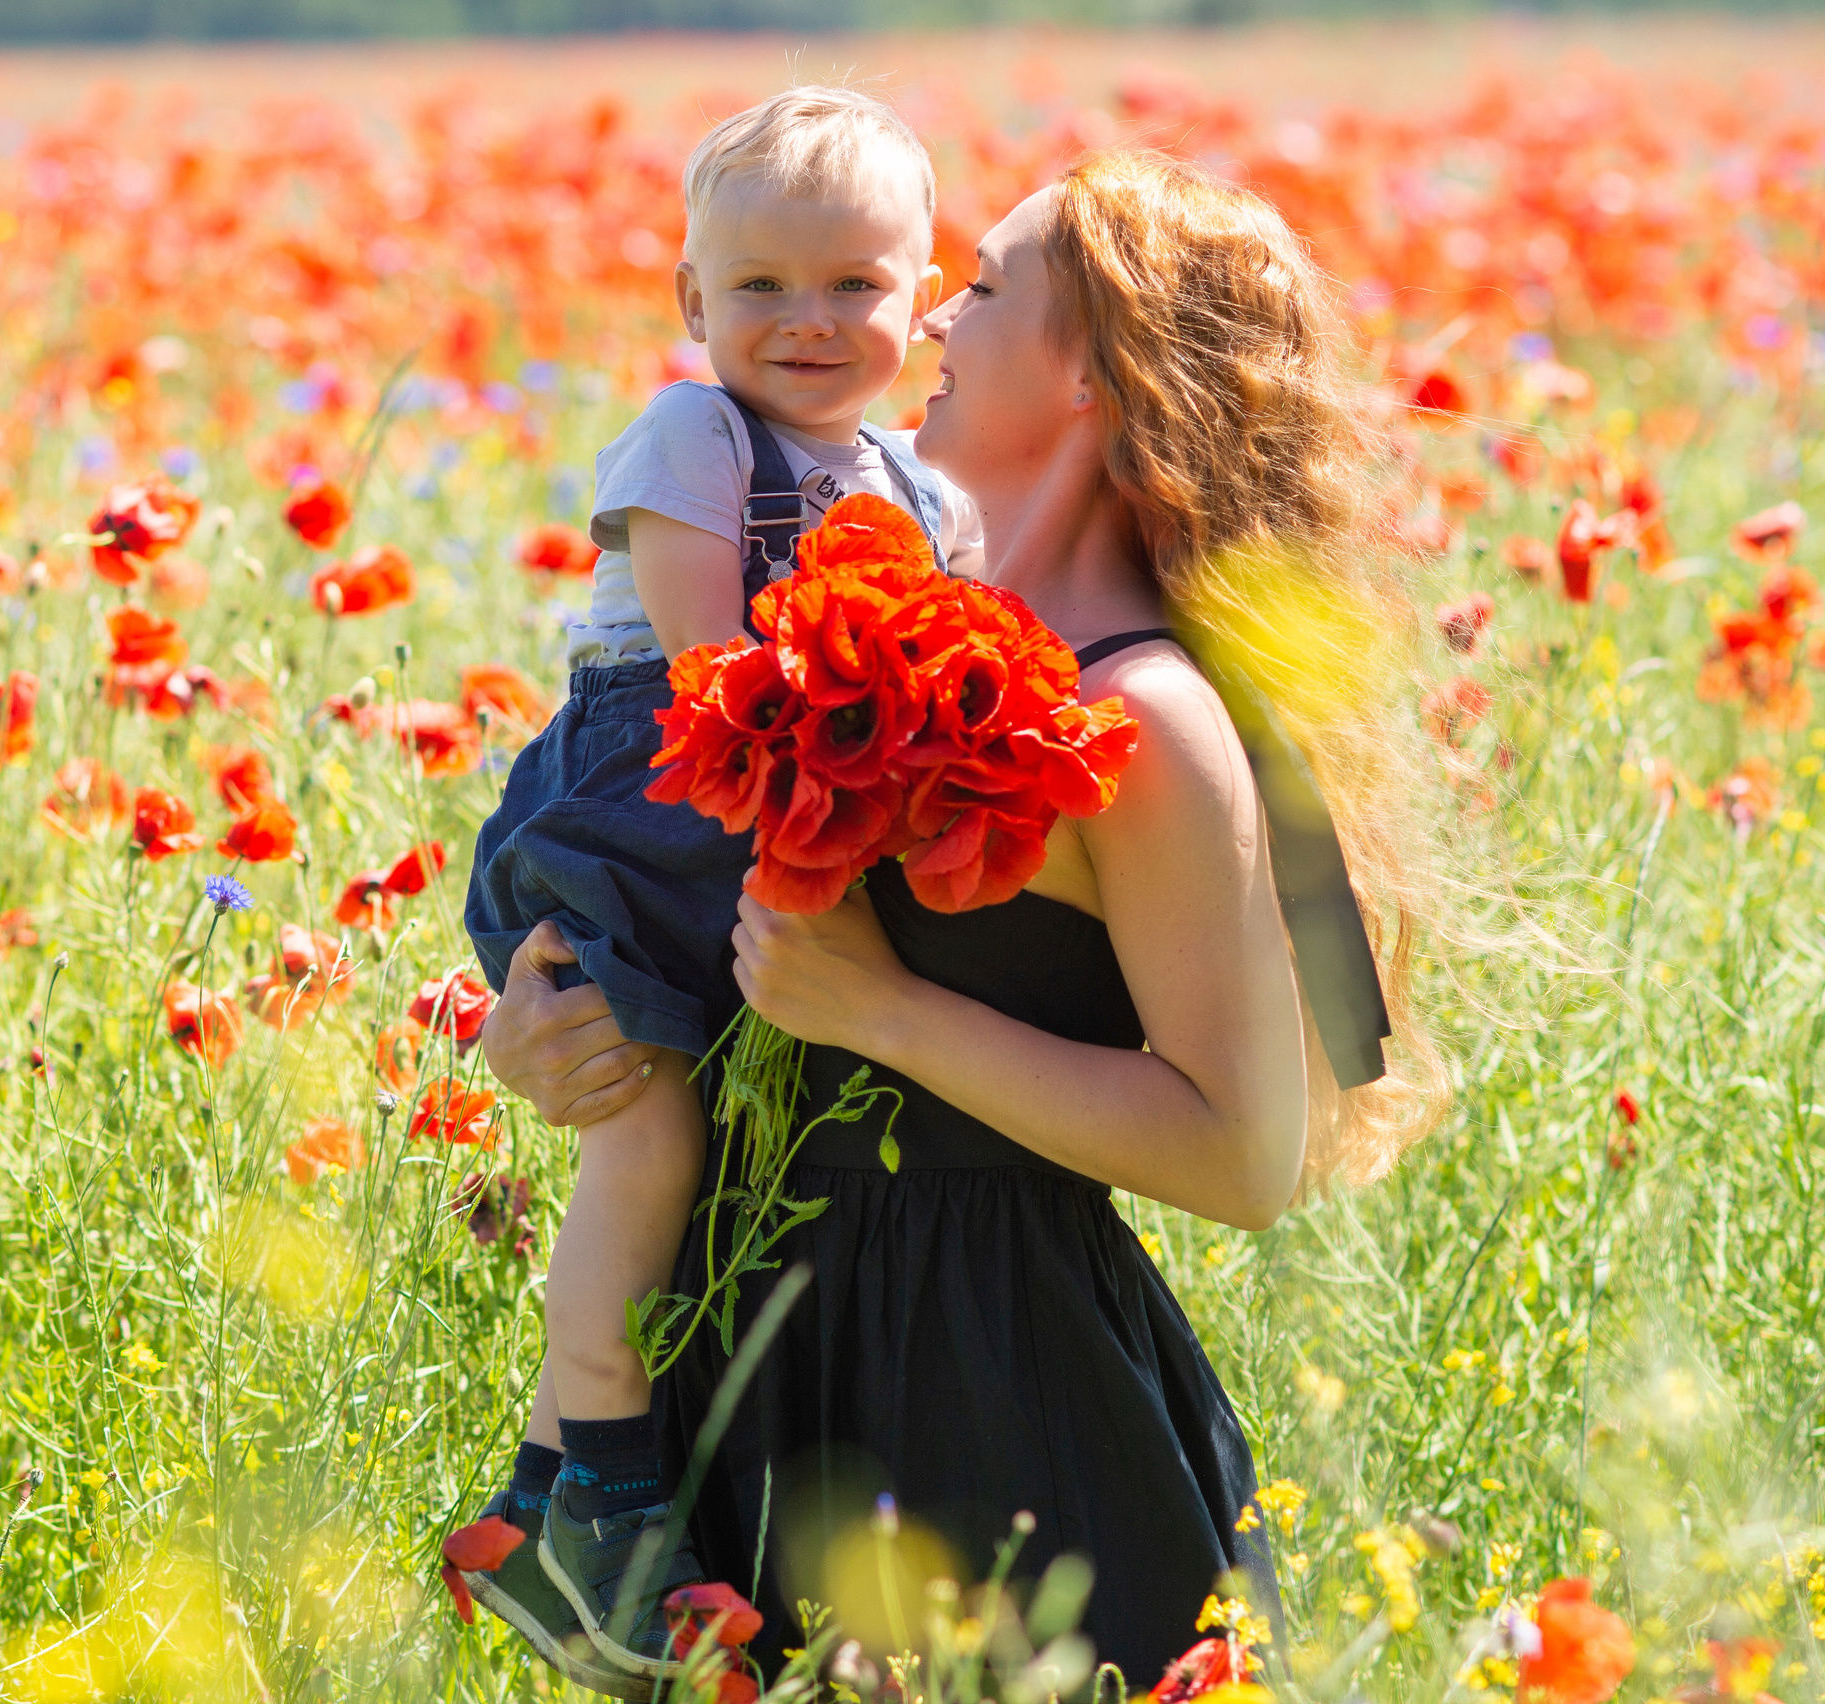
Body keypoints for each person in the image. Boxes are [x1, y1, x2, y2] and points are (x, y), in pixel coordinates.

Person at [480, 149, 1453, 1685]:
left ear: (1091, 371)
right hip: (763, 1379)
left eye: (982, 288)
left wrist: (888, 1011)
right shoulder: (890, 622)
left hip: (991, 1402)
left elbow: (1243, 1157)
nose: (930, 318)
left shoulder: (1145, 712)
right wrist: (559, 1024)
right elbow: (715, 937)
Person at [454, 85, 984, 1694]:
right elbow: (712, 674)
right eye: (760, 285)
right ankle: (608, 1471)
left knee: (723, 1159)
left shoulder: (926, 489)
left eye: (853, 284)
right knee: (648, 1130)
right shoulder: (698, 439)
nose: (808, 319)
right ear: (693, 301)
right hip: (645, 823)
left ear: (920, 297)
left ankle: (533, 1509)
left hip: (778, 830)